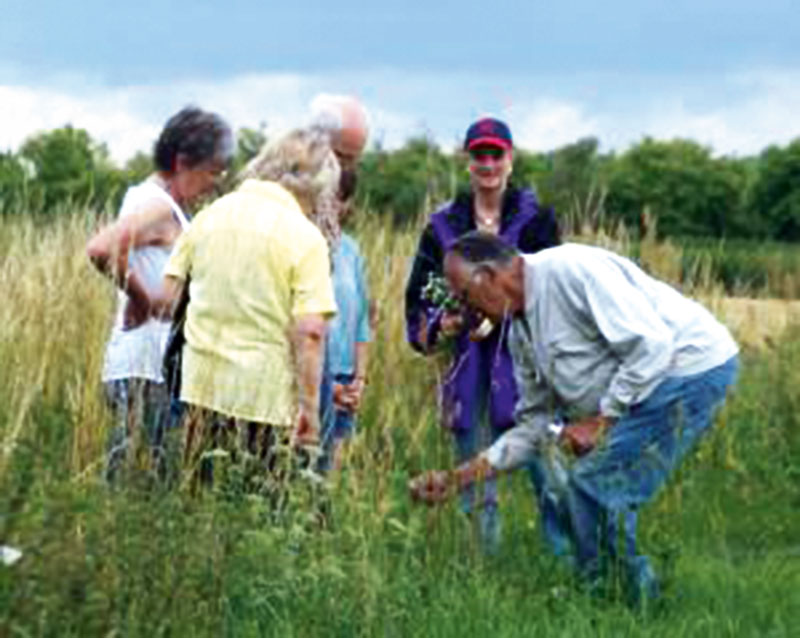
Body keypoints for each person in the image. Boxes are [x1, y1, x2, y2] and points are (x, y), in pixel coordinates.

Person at [409, 232, 740, 604]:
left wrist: (602, 420)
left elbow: (652, 346)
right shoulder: (519, 333)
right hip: (650, 380)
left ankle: (633, 601)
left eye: (466, 297)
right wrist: (459, 478)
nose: (469, 312)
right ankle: (601, 594)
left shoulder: (570, 271)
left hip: (689, 369)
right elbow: (534, 428)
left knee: (597, 484)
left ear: (487, 276)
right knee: (589, 486)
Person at [149, 128, 339, 490]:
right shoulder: (305, 237)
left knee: (201, 505)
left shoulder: (208, 217)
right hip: (267, 403)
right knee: (263, 509)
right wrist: (310, 412)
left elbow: (168, 298)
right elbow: (311, 333)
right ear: (318, 184)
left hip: (199, 393)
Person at [404, 117, 560, 553]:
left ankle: (569, 562)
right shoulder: (441, 226)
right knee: (474, 478)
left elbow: (549, 293)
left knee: (551, 474)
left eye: (496, 155)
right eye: (479, 156)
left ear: (511, 160)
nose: (488, 164)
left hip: (529, 366)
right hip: (469, 369)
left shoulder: (537, 222)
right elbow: (417, 298)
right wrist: (442, 324)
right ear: (467, 162)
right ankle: (481, 566)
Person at [86, 106, 233, 482]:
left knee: (138, 479)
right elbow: (101, 249)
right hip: (145, 369)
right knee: (141, 483)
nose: (216, 181)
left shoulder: (153, 201)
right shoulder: (157, 206)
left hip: (148, 367)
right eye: (212, 171)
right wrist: (142, 299)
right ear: (183, 162)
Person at [319, 170, 371, 471]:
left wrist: (359, 381)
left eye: (337, 197)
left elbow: (362, 321)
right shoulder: (301, 243)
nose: (329, 204)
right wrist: (328, 386)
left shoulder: (352, 250)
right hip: (311, 376)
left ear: (346, 204)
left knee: (331, 476)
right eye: (323, 194)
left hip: (346, 379)